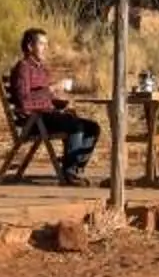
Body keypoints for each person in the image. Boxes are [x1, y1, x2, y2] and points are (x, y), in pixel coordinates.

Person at [8, 28, 100, 186]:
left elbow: (45, 97)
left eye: (46, 44)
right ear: (30, 46)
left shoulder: (41, 68)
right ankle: (69, 172)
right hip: (33, 121)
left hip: (46, 116)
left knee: (92, 127)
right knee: (76, 127)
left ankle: (74, 167)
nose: (46, 48)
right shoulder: (23, 68)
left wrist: (61, 104)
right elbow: (24, 101)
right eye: (42, 44)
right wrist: (51, 89)